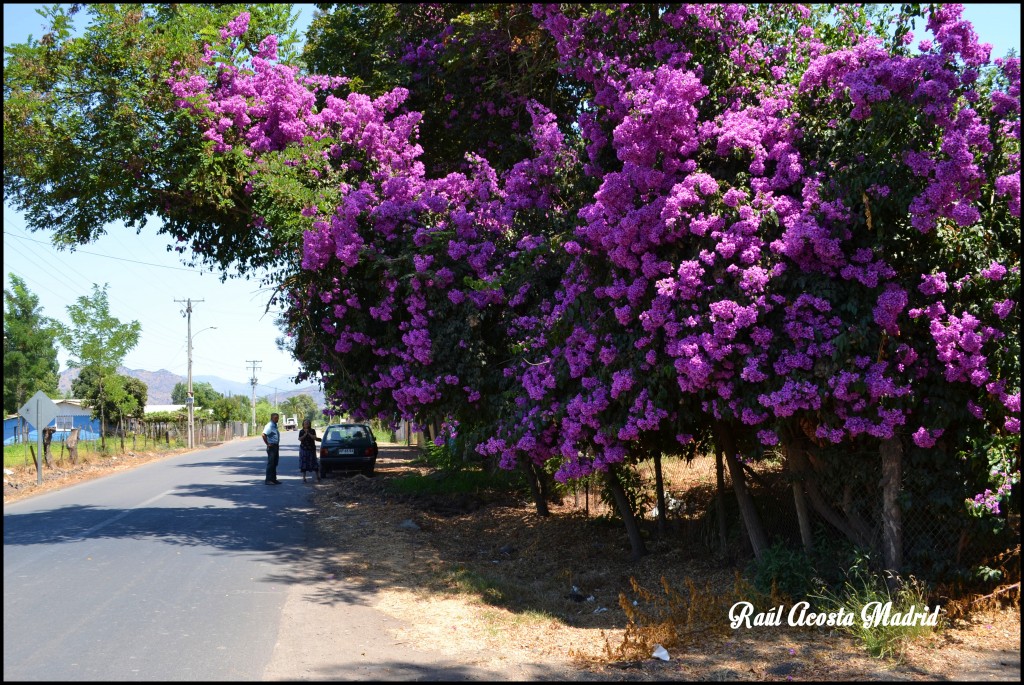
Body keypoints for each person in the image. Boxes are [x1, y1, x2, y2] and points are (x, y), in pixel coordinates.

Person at [297, 419, 321, 483]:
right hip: (304, 449)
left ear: (309, 424)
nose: (306, 424)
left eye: (308, 423)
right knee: (304, 463)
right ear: (303, 425)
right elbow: (300, 439)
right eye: (305, 423)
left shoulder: (312, 430)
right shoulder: (301, 431)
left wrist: (309, 433)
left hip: (311, 449)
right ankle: (304, 478)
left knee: (314, 462)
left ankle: (318, 476)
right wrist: (305, 434)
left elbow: (315, 438)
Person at [262, 412, 281, 485]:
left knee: (275, 463)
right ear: (272, 418)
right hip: (271, 446)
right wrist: (267, 443)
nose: (277, 419)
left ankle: (273, 479)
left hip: (276, 446)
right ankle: (268, 480)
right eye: (276, 418)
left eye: (278, 418)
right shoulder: (269, 425)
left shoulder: (275, 425)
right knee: (271, 463)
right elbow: (263, 434)